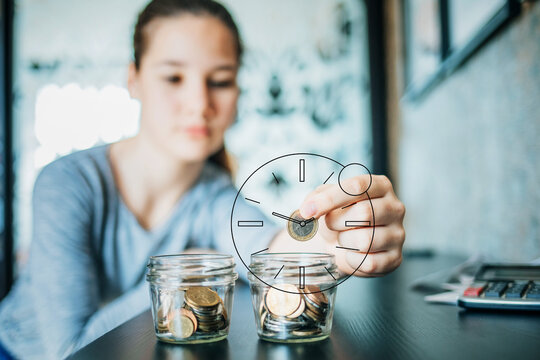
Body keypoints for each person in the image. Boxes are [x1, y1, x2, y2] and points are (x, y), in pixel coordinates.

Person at [0, 0, 406, 359]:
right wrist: (188, 268)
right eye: (174, 78)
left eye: (221, 81)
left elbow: (271, 252)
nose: (199, 104)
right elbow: (70, 350)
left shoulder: (214, 194)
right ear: (134, 79)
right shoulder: (67, 184)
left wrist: (333, 238)